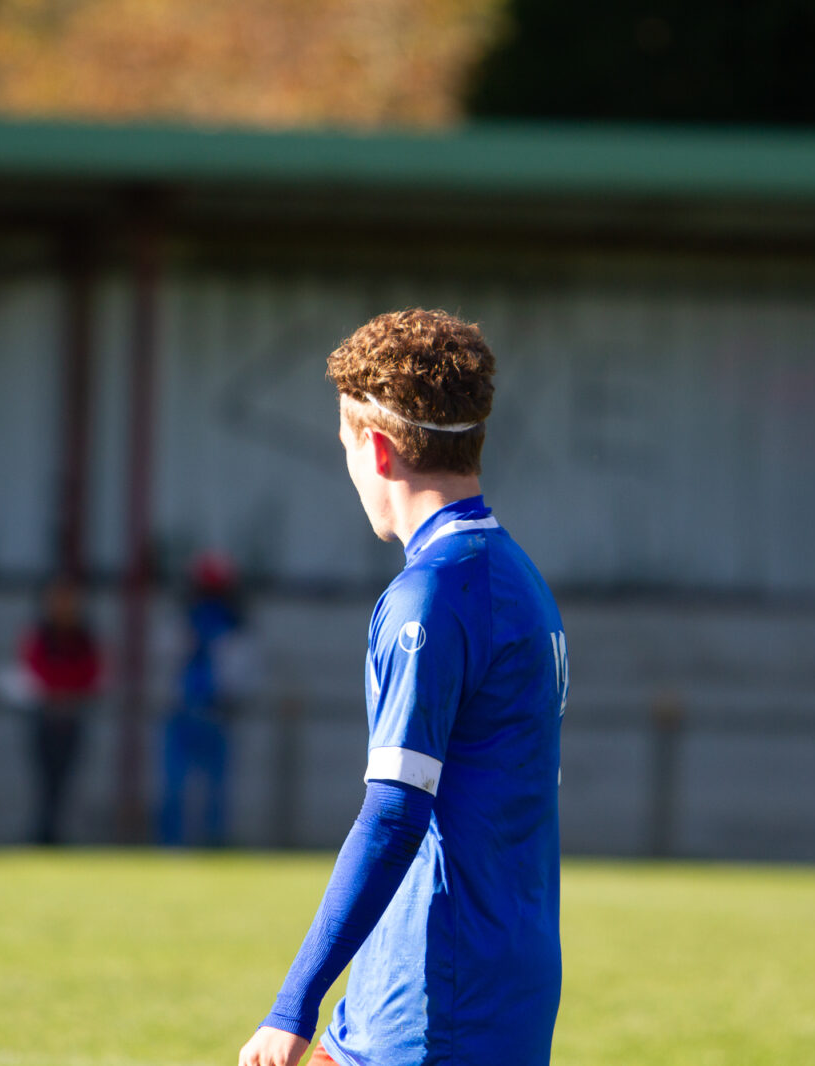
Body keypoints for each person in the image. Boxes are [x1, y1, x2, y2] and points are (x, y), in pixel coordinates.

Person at [239, 310, 569, 1066]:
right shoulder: (521, 580)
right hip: (488, 983)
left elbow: (394, 814)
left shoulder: (430, 597)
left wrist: (292, 1006)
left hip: (433, 1001)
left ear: (377, 449)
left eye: (345, 448)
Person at [159, 550, 253, 846]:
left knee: (216, 790)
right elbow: (167, 657)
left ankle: (214, 844)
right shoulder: (182, 623)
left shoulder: (236, 630)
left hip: (217, 716)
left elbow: (241, 675)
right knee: (174, 787)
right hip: (182, 714)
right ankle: (171, 845)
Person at [12, 576, 105, 845]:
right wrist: (53, 692)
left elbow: (92, 673)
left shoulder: (83, 638)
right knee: (44, 778)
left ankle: (56, 833)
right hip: (44, 716)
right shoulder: (41, 635)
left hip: (71, 716)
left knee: (65, 780)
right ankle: (43, 833)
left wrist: (68, 693)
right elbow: (31, 667)